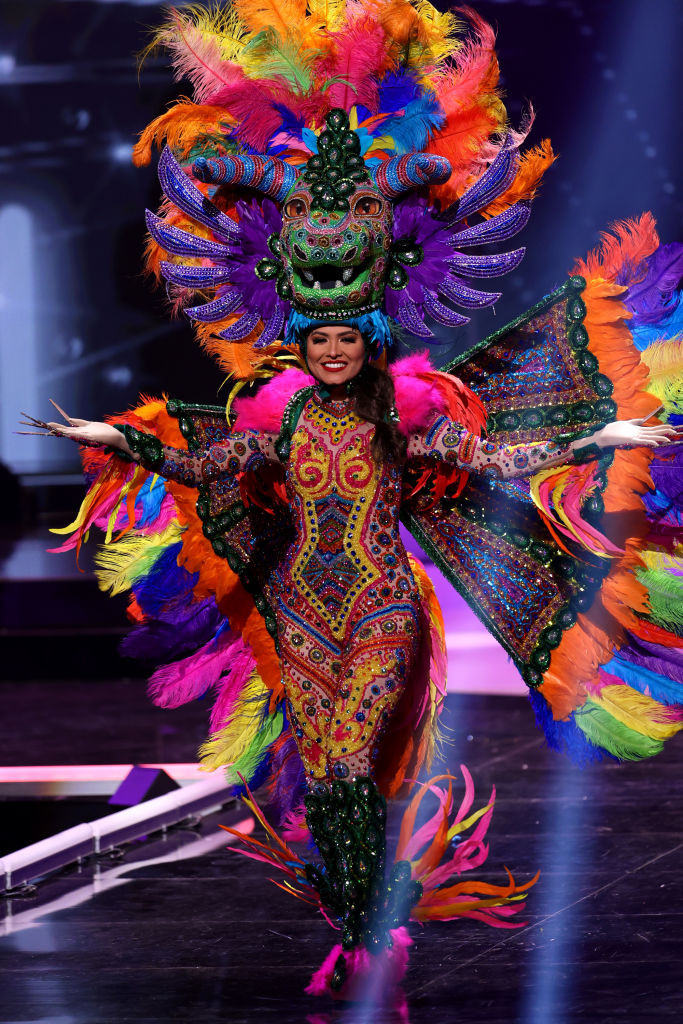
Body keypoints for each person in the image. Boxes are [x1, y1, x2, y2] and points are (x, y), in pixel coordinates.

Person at [23, 0, 683, 998]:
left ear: (368, 327)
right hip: (301, 611)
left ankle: (375, 931)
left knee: (349, 768)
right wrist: (120, 441)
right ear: (301, 329)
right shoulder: (284, 414)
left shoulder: (402, 412)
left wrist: (599, 439)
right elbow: (213, 469)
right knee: (325, 781)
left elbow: (497, 458)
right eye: (317, 334)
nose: (331, 346)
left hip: (378, 610)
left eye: (345, 333)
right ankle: (361, 920)